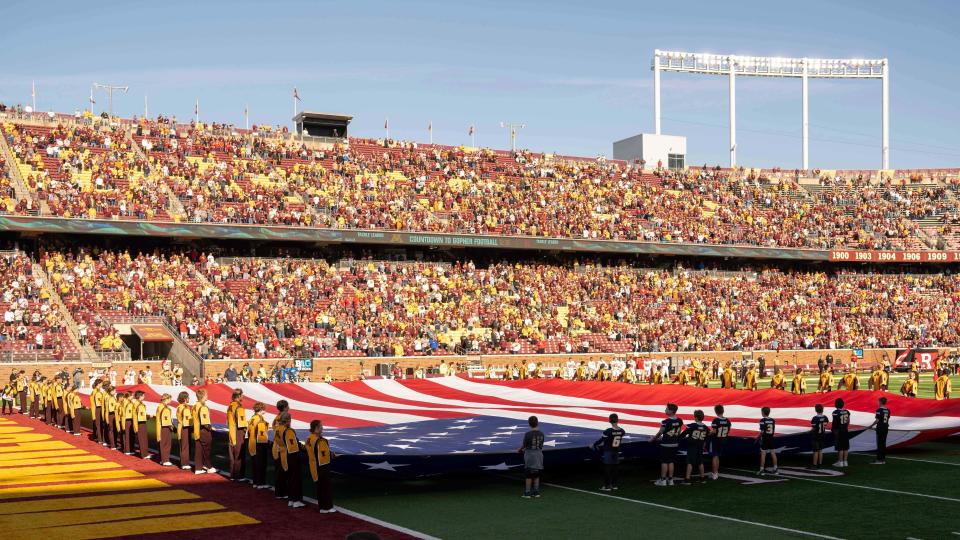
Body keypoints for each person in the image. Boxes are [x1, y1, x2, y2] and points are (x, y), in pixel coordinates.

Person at [305, 419, 336, 512]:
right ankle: (327, 507)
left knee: (320, 488)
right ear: (317, 428)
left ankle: (322, 506)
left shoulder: (309, 438)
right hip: (322, 467)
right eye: (321, 426)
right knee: (325, 487)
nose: (322, 428)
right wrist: (331, 455)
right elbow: (323, 456)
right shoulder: (321, 441)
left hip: (313, 466)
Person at [652, 403, 683, 486]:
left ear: (671, 411)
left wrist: (653, 439)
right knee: (671, 462)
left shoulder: (665, 422)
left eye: (667, 409)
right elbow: (679, 432)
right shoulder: (679, 420)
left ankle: (663, 480)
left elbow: (660, 433)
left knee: (664, 462)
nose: (665, 410)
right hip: (674, 443)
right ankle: (670, 479)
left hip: (666, 444)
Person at [593, 413, 625, 491]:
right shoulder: (622, 431)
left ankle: (607, 486)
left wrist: (593, 444)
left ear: (610, 420)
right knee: (615, 468)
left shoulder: (608, 431)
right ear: (617, 420)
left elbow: (601, 440)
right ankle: (614, 485)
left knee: (607, 468)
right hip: (616, 451)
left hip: (609, 451)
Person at [278, 412, 305, 508]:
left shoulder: (279, 429)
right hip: (292, 456)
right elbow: (293, 446)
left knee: (290, 478)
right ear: (288, 420)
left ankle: (291, 499)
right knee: (295, 478)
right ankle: (296, 500)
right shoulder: (289, 431)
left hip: (285, 454)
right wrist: (302, 447)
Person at [518, 415, 544, 498]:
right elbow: (541, 445)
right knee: (537, 473)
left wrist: (520, 450)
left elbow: (524, 445)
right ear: (537, 423)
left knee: (528, 474)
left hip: (530, 455)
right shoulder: (541, 434)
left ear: (529, 424)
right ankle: (536, 492)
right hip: (539, 454)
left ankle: (527, 492)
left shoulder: (528, 434)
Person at [680, 409, 709, 484]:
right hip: (700, 446)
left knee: (690, 462)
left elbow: (683, 435)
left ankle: (687, 479)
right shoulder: (706, 428)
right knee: (700, 462)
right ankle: (702, 478)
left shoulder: (692, 426)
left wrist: (680, 437)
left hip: (692, 446)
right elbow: (707, 437)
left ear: (695, 417)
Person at [247, 402, 270, 489]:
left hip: (251, 443)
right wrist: (266, 444)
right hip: (259, 445)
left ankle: (256, 482)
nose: (265, 411)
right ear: (261, 410)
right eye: (264, 409)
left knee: (255, 464)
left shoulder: (252, 418)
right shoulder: (260, 419)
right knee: (261, 464)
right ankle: (261, 483)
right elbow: (261, 436)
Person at [227, 388, 248, 481]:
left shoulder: (230, 405)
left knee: (232, 454)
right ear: (239, 396)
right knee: (239, 454)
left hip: (231, 431)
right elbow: (242, 423)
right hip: (238, 432)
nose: (243, 397)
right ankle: (238, 475)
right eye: (242, 395)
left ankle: (233, 474)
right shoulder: (239, 407)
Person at [193, 389, 215, 474]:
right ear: (203, 396)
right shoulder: (202, 407)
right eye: (206, 394)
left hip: (197, 430)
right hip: (203, 431)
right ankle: (209, 466)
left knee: (199, 449)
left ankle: (198, 467)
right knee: (207, 449)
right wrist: (210, 428)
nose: (207, 396)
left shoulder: (195, 405)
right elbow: (205, 422)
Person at [272, 400, 290, 499]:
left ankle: (279, 491)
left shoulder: (276, 418)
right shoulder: (284, 417)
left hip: (276, 445)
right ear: (284, 407)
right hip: (282, 446)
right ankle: (283, 492)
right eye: (288, 406)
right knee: (284, 469)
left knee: (279, 470)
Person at [708, 404, 731, 480]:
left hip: (716, 440)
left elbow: (714, 431)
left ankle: (714, 473)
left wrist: (708, 434)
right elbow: (728, 430)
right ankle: (716, 472)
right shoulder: (727, 420)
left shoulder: (716, 420)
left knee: (714, 456)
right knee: (717, 456)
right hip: (723, 439)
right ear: (723, 411)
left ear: (715, 411)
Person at [868, 397, 890, 465]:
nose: (877, 403)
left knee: (880, 444)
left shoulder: (879, 410)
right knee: (883, 443)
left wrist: (871, 426)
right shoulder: (888, 410)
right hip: (885, 427)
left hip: (880, 428)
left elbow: (877, 420)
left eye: (878, 401)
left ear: (880, 402)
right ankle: (883, 459)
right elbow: (887, 420)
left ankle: (879, 460)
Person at [757, 406, 778, 475]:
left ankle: (762, 469)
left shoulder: (762, 420)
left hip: (765, 438)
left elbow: (762, 431)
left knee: (763, 453)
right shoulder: (772, 420)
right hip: (771, 438)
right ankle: (775, 469)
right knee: (773, 453)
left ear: (763, 412)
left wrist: (758, 437)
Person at [831, 398, 851, 468]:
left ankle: (840, 461)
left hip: (839, 431)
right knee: (845, 447)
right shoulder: (847, 411)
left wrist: (834, 430)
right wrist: (845, 426)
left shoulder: (835, 412)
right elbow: (848, 421)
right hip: (845, 430)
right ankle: (845, 461)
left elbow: (834, 423)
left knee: (840, 447)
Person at [155, 393, 174, 466]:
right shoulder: (163, 407)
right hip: (165, 427)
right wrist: (171, 426)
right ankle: (165, 460)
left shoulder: (162, 406)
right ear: (167, 399)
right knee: (165, 444)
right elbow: (165, 420)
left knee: (164, 443)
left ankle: (162, 459)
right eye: (170, 399)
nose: (171, 400)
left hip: (164, 427)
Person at [176, 391, 193, 469]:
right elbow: (187, 420)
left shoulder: (180, 406)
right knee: (185, 446)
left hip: (182, 427)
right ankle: (184, 463)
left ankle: (184, 462)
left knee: (184, 446)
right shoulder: (184, 408)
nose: (189, 398)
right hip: (185, 428)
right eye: (188, 397)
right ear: (185, 399)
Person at [810, 403, 828, 470]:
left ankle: (814, 464)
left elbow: (814, 428)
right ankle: (820, 464)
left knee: (815, 451)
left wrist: (810, 431)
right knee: (820, 450)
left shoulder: (815, 418)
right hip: (822, 435)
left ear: (815, 410)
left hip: (816, 436)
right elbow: (825, 424)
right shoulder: (825, 417)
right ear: (822, 410)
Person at [133, 390, 149, 458]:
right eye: (143, 395)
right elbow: (140, 416)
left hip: (140, 422)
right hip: (140, 423)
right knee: (142, 439)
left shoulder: (138, 403)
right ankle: (144, 454)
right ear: (140, 396)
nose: (144, 396)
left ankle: (144, 453)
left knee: (143, 438)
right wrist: (148, 417)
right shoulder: (138, 404)